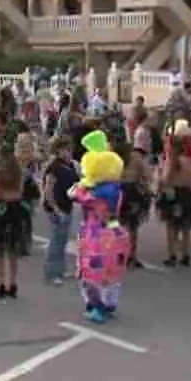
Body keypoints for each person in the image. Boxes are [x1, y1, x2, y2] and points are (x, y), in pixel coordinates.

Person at [69, 130, 130, 324]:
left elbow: (73, 193)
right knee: (113, 272)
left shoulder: (91, 194)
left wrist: (83, 184)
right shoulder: (117, 189)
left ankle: (97, 307)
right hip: (117, 231)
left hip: (96, 235)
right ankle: (111, 304)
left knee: (90, 272)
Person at [0, 146, 25, 300]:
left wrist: (1, 194)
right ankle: (13, 283)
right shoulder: (19, 173)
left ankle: (1, 284)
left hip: (0, 211)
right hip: (15, 210)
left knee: (0, 250)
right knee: (13, 250)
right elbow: (20, 193)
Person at [157, 136, 191, 267]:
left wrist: (159, 179)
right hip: (188, 195)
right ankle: (185, 255)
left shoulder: (171, 162)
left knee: (171, 226)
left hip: (173, 195)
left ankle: (172, 255)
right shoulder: (189, 161)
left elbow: (165, 180)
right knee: (185, 227)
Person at [42, 136, 78, 285]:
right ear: (58, 151)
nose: (68, 153)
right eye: (65, 150)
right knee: (56, 241)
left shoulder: (70, 166)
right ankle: (51, 273)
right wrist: (56, 209)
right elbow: (48, 190)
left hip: (67, 205)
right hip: (57, 207)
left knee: (62, 240)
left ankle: (60, 270)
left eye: (69, 149)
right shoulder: (54, 167)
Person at [117, 142, 152, 269]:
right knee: (132, 226)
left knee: (118, 223)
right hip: (132, 191)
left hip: (116, 190)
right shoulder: (136, 157)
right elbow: (148, 175)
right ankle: (131, 255)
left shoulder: (113, 155)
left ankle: (119, 253)